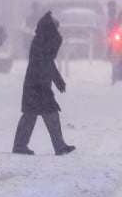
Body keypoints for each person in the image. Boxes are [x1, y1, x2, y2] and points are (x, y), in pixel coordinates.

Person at [13, 11, 75, 155]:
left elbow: (48, 62)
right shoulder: (43, 41)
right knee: (40, 113)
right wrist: (58, 81)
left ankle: (22, 145)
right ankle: (57, 146)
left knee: (34, 114)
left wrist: (57, 81)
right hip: (38, 85)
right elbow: (47, 62)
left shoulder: (41, 40)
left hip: (36, 84)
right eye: (56, 28)